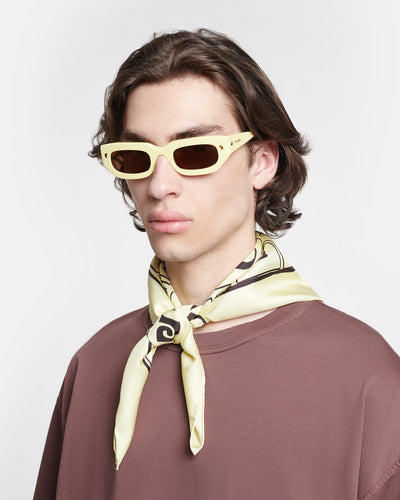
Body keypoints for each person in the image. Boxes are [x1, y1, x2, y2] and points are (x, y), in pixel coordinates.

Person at [34, 29, 400, 499]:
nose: (159, 185)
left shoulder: (365, 377)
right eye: (136, 156)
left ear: (262, 162)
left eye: (195, 153)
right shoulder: (94, 366)